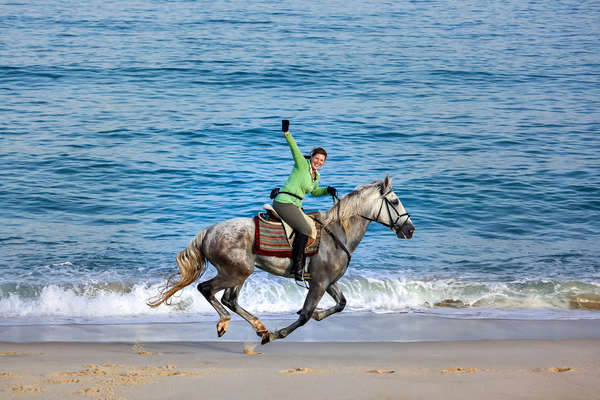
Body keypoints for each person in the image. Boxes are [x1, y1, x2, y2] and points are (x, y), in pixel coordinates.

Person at [273, 120, 336, 282]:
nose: (319, 162)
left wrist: (327, 190)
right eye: (317, 158)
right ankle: (297, 267)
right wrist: (287, 133)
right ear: (312, 157)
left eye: (322, 161)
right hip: (284, 202)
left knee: (314, 226)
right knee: (306, 229)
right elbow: (294, 148)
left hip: (296, 205)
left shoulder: (316, 176)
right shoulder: (302, 164)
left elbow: (314, 191)